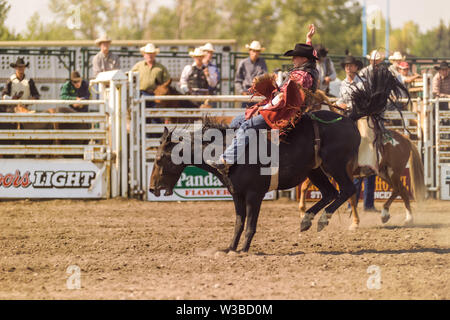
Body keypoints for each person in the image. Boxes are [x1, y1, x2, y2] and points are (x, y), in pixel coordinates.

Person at [207, 24, 318, 174]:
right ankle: (241, 157)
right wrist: (308, 39)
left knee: (245, 125)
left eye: (295, 56)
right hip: (282, 108)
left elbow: (284, 97)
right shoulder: (307, 70)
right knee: (236, 121)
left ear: (304, 59)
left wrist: (266, 106)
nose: (293, 59)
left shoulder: (301, 75)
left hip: (282, 113)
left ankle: (226, 161)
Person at [339, 55, 379, 212]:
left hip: (360, 117)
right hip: (347, 118)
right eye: (347, 65)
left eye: (351, 65)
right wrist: (338, 104)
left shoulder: (362, 83)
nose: (349, 67)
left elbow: (364, 103)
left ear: (356, 67)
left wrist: (347, 104)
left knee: (366, 141)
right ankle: (353, 203)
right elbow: (340, 99)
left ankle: (366, 204)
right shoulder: (342, 84)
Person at [131, 43, 171, 109]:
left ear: (155, 54)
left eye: (151, 53)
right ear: (144, 55)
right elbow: (130, 77)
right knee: (142, 114)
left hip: (156, 95)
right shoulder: (138, 66)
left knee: (155, 116)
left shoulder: (161, 68)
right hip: (141, 93)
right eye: (148, 53)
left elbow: (166, 82)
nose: (150, 55)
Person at [234, 40, 268, 108]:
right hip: (247, 92)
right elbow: (237, 80)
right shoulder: (243, 63)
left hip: (259, 93)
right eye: (253, 51)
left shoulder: (262, 62)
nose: (255, 53)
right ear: (249, 51)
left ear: (259, 52)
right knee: (245, 115)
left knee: (259, 115)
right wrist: (242, 92)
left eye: (257, 51)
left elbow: (265, 77)